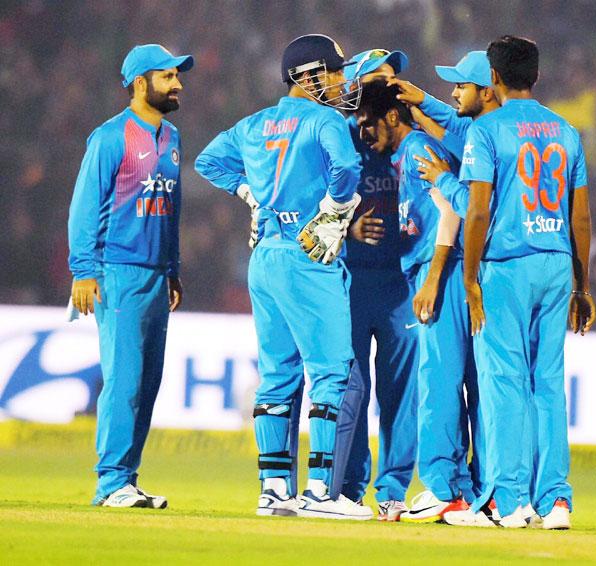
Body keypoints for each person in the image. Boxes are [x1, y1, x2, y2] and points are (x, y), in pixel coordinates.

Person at [195, 34, 373, 521]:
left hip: (265, 258)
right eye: (334, 73)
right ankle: (320, 493)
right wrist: (336, 210)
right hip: (308, 255)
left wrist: (249, 194)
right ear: (309, 75)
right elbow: (347, 168)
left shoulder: (254, 124)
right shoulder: (325, 120)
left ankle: (274, 490)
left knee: (276, 376)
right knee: (332, 370)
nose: (341, 82)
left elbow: (208, 161)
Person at [459, 36, 596, 529]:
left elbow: (477, 212)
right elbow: (580, 218)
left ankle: (508, 500)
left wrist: (471, 278)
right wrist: (582, 285)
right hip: (557, 263)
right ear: (535, 77)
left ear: (493, 78)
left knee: (503, 383)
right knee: (548, 384)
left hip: (507, 264)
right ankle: (556, 500)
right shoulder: (566, 131)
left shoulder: (488, 131)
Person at [68, 43, 193, 508]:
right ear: (140, 83)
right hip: (116, 272)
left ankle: (127, 478)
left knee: (147, 383)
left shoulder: (174, 137)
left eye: (177, 76)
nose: (178, 83)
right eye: (167, 76)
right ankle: (110, 483)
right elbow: (84, 207)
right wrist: (83, 270)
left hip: (157, 277)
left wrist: (174, 269)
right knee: (124, 380)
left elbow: (171, 209)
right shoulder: (109, 137)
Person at [356, 80, 472, 525]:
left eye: (369, 124)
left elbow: (450, 211)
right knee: (444, 380)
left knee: (437, 381)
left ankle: (444, 488)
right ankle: (459, 489)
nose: (365, 134)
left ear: (391, 116)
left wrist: (433, 278)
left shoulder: (419, 147)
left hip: (435, 270)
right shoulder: (405, 156)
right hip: (428, 269)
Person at [339, 49, 418, 522]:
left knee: (400, 393)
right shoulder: (340, 138)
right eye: (378, 77)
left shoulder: (410, 138)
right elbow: (305, 201)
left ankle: (392, 489)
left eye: (393, 76)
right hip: (348, 279)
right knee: (350, 388)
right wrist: (345, 228)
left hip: (399, 281)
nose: (391, 83)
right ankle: (347, 487)